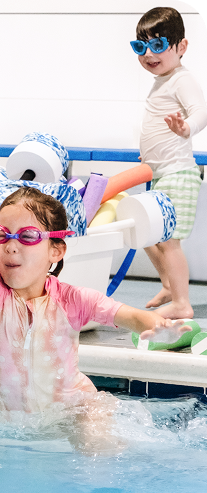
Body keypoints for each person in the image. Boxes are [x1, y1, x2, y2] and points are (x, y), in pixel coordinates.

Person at [0, 162, 190, 454]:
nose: (11, 246)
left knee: (94, 451)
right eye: (2, 236)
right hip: (23, 428)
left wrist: (156, 326)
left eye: (27, 237)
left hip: (82, 412)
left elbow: (127, 315)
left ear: (56, 250)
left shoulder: (72, 300)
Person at [132, 7, 207, 318]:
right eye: (141, 46)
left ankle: (181, 303)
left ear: (181, 47)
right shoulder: (162, 80)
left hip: (179, 175)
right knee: (143, 230)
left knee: (169, 240)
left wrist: (187, 128)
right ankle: (168, 284)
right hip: (163, 173)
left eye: (159, 45)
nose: (149, 53)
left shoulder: (180, 78)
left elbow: (201, 110)